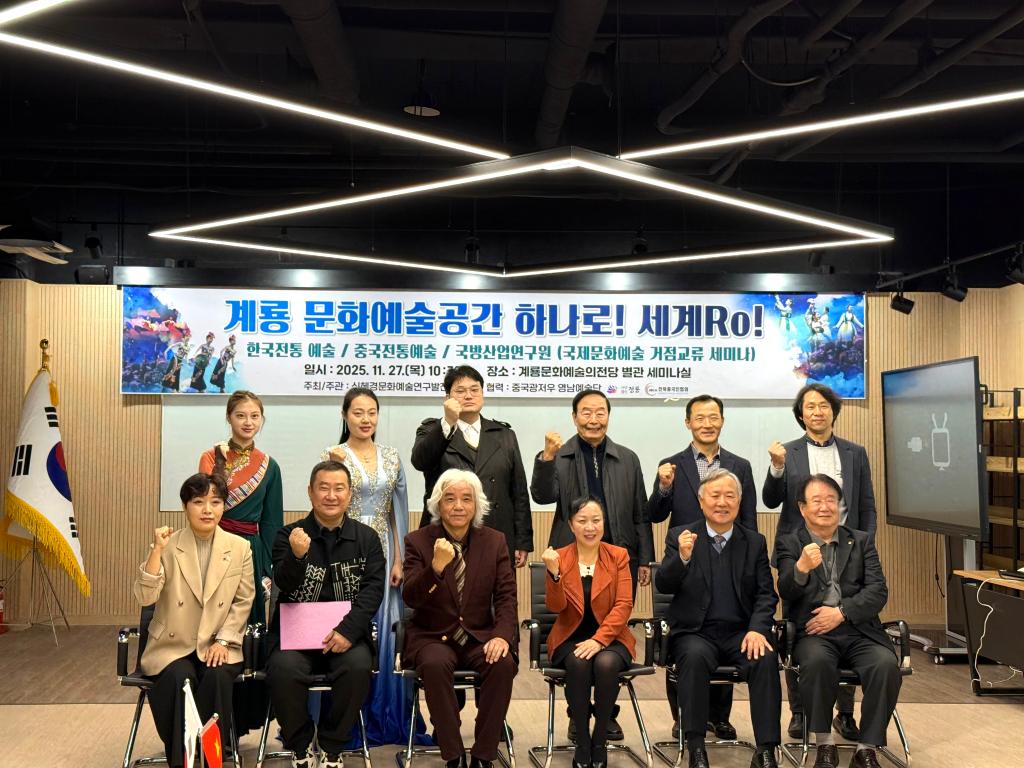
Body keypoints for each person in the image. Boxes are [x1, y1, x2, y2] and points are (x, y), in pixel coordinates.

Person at [532, 388, 652, 742]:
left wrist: (645, 558)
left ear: (609, 416)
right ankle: (577, 715)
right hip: (573, 557)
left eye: (600, 412)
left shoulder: (627, 458)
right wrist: (546, 458)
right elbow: (542, 495)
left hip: (618, 560)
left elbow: (640, 512)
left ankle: (605, 714)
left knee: (610, 637)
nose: (594, 419)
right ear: (574, 417)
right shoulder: (561, 455)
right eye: (586, 412)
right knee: (575, 634)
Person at [762, 383, 876, 741]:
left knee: (850, 624)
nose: (817, 411)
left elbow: (866, 505)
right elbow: (771, 499)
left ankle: (845, 712)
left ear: (833, 411)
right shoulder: (788, 452)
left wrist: (863, 548)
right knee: (799, 628)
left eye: (823, 405)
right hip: (801, 551)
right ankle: (800, 711)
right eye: (809, 406)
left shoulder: (855, 453)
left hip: (847, 553)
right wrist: (777, 468)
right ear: (801, 414)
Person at [646, 394, 758, 741]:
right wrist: (664, 488)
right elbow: (654, 514)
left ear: (722, 421)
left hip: (728, 558)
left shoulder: (740, 465)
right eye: (699, 418)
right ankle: (683, 716)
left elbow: (749, 521)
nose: (707, 424)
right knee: (687, 633)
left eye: (713, 417)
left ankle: (719, 716)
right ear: (688, 423)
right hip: (687, 559)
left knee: (726, 622)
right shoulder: (671, 465)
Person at [656, 469, 780, 768]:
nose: (722, 502)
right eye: (715, 495)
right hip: (695, 633)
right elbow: (664, 584)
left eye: (729, 496)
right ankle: (696, 747)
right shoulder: (681, 536)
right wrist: (682, 557)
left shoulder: (754, 542)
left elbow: (766, 595)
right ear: (701, 502)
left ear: (739, 501)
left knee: (764, 657)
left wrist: (757, 629)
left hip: (741, 633)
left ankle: (766, 749)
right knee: (694, 657)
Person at [775, 474, 901, 768]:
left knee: (885, 665)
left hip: (859, 631)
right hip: (813, 634)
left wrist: (841, 612)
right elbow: (786, 591)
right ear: (802, 508)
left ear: (840, 506)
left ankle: (866, 748)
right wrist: (801, 568)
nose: (825, 507)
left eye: (831, 500)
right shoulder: (790, 543)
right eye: (817, 501)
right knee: (817, 663)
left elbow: (878, 591)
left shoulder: (860, 541)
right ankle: (824, 744)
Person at [267, 460, 386, 768]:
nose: (331, 496)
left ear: (350, 494)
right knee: (282, 669)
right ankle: (300, 746)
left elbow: (373, 591)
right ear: (310, 492)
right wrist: (297, 556)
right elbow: (283, 584)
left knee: (358, 667)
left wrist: (348, 631)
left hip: (347, 635)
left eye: (339, 488)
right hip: (295, 638)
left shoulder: (367, 539)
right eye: (323, 488)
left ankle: (333, 747)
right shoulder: (288, 535)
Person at [133, 472, 255, 768]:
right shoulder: (168, 545)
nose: (207, 510)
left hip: (218, 644)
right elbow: (145, 597)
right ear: (185, 506)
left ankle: (213, 758)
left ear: (224, 506)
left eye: (215, 502)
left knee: (217, 675)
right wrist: (157, 550)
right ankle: (183, 759)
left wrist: (224, 640)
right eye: (198, 502)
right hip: (172, 646)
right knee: (180, 678)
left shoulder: (240, 547)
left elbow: (243, 601)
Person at [402, 469, 518, 768]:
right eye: (450, 499)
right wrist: (435, 569)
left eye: (466, 499)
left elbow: (506, 597)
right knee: (434, 664)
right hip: (432, 636)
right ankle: (453, 755)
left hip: (479, 636)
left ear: (476, 505)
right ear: (438, 504)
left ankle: (483, 755)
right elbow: (410, 597)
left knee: (502, 663)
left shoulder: (494, 541)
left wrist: (502, 636)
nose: (458, 506)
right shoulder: (418, 541)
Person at [321, 386, 413, 745]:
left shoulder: (391, 456)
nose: (365, 419)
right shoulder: (333, 455)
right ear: (345, 415)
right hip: (344, 551)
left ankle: (383, 712)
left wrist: (401, 558)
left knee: (386, 630)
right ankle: (343, 716)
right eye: (357, 412)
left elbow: (397, 511)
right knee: (347, 625)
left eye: (371, 412)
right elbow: (326, 508)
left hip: (386, 553)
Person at [541, 496, 635, 768]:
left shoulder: (618, 556)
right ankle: (581, 741)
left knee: (606, 663)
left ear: (604, 523)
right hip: (569, 637)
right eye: (582, 521)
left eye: (596, 520)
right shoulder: (560, 557)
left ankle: (599, 740)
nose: (590, 527)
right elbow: (555, 606)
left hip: (612, 638)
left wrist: (599, 640)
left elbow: (624, 605)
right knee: (579, 662)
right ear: (571, 525)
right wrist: (555, 575)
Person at [411, 365, 532, 566]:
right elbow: (420, 461)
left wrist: (522, 541)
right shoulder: (433, 430)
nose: (468, 395)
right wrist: (448, 422)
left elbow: (518, 492)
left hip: (496, 533)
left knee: (497, 586)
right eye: (460, 391)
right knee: (444, 584)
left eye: (474, 390)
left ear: (482, 394)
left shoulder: (504, 435)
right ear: (447, 398)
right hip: (445, 536)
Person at [199, 390, 284, 625]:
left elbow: (271, 522)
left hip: (250, 548)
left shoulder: (269, 465)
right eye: (241, 416)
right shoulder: (210, 457)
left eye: (255, 416)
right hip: (214, 542)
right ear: (229, 417)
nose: (248, 422)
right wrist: (220, 464)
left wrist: (268, 565)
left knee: (248, 616)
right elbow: (205, 503)